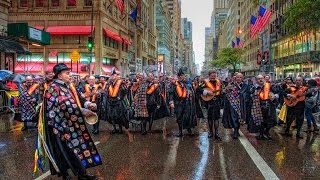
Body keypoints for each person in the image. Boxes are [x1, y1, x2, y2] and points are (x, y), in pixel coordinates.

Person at [42, 63, 101, 179]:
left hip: (73, 125)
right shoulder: (53, 89)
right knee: (63, 152)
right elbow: (62, 106)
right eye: (67, 73)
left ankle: (82, 174)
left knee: (78, 149)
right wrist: (82, 111)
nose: (70, 75)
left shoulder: (68, 86)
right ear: (59, 76)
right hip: (59, 127)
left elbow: (78, 98)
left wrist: (88, 104)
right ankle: (66, 175)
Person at [169, 68, 197, 137]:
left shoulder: (188, 83)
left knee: (188, 116)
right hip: (178, 103)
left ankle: (189, 130)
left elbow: (193, 92)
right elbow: (171, 93)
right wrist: (171, 101)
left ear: (184, 76)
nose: (181, 77)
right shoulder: (174, 84)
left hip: (187, 103)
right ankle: (180, 131)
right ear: (178, 77)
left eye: (182, 75)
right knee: (179, 117)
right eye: (179, 76)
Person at [249, 75, 278, 140]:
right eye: (258, 79)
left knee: (271, 120)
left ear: (264, 79)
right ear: (256, 81)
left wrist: (274, 96)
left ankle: (267, 131)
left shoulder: (269, 85)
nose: (260, 80)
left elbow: (277, 92)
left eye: (261, 78)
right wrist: (253, 95)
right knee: (261, 121)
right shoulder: (254, 87)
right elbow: (250, 95)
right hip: (259, 106)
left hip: (269, 106)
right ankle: (261, 133)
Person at [198, 71, 222, 140]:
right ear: (209, 76)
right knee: (210, 117)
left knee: (217, 117)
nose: (213, 77)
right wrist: (206, 92)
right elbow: (198, 89)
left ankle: (217, 133)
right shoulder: (204, 82)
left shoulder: (219, 81)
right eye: (212, 76)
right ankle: (211, 132)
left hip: (217, 101)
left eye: (215, 76)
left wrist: (223, 92)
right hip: (209, 102)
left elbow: (221, 90)